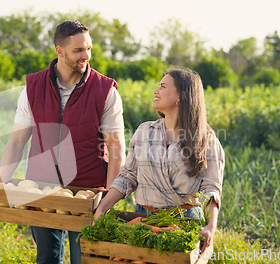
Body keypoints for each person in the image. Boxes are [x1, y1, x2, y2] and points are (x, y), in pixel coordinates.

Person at [0, 20, 125, 264]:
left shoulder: (105, 90)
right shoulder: (33, 88)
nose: (86, 56)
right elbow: (16, 142)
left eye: (88, 48)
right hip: (40, 189)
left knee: (85, 260)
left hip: (88, 193)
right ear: (60, 51)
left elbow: (117, 149)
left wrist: (107, 201)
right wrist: (2, 186)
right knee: (46, 258)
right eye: (78, 50)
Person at [94, 68, 225, 254]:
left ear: (181, 96)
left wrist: (210, 226)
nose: (156, 91)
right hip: (142, 220)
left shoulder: (207, 140)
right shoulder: (144, 132)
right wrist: (102, 208)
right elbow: (127, 177)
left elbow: (211, 190)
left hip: (184, 223)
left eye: (162, 86)